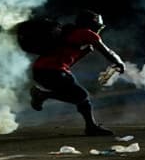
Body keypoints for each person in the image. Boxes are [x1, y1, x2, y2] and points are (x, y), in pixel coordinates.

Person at [28, 9, 126, 137]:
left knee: (79, 97)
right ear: (90, 24)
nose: (98, 29)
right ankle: (43, 95)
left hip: (40, 70)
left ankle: (90, 126)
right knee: (82, 96)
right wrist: (119, 62)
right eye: (97, 26)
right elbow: (107, 51)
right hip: (53, 70)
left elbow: (67, 61)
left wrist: (83, 52)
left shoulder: (68, 32)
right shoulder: (87, 34)